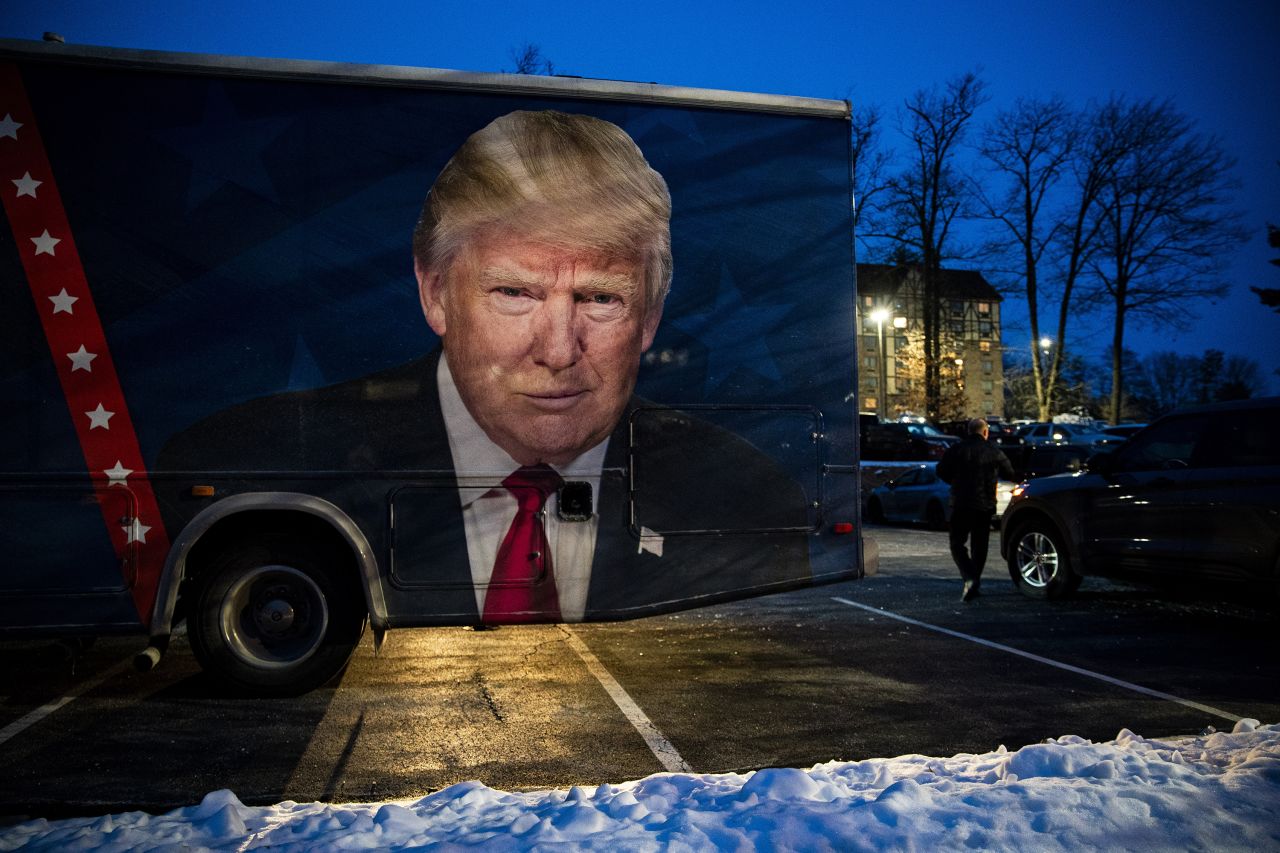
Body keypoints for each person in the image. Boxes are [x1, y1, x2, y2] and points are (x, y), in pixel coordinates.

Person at [157, 110, 811, 625]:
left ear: (650, 317)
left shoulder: (746, 493)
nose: (558, 349)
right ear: (435, 292)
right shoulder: (246, 459)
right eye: (515, 293)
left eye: (600, 297)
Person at [936, 417, 1015, 601]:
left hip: (961, 502)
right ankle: (974, 579)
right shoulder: (993, 450)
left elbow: (941, 470)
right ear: (985, 432)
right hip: (985, 504)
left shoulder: (956, 450)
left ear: (969, 431)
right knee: (980, 545)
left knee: (957, 544)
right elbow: (1010, 472)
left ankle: (969, 577)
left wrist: (955, 481)